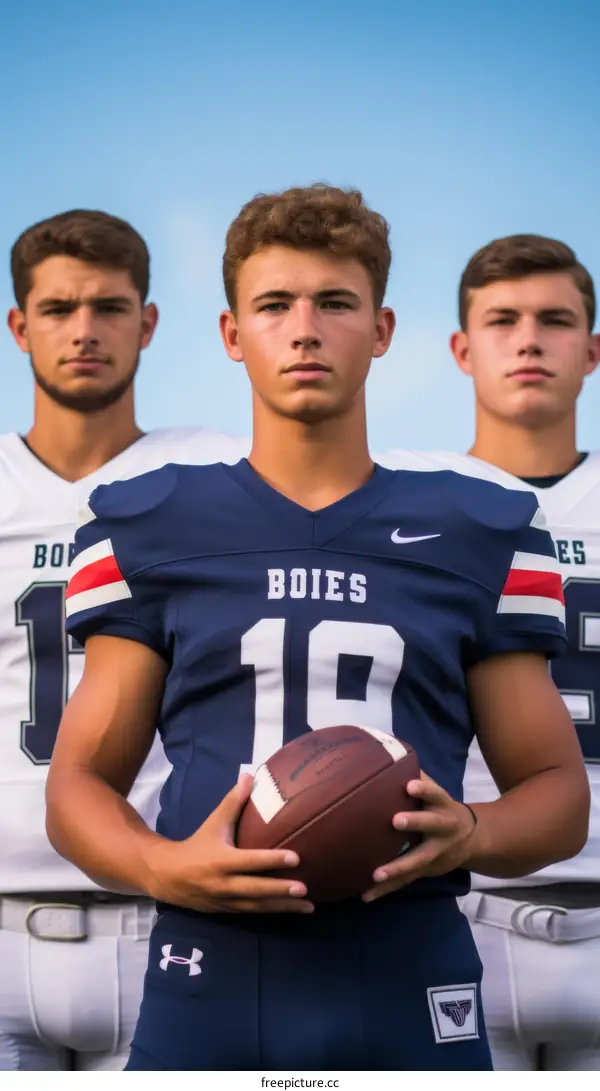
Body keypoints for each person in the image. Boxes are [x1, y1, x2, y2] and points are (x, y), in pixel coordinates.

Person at [46, 187, 588, 1072]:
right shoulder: (149, 522)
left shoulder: (480, 529)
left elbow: (558, 792)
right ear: (232, 334)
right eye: (274, 305)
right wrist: (159, 866)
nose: (304, 331)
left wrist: (473, 832)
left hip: (410, 972)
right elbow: (79, 781)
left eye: (335, 303)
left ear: (382, 329)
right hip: (208, 974)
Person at [0, 209, 245, 1071]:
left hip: (169, 908)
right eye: (58, 309)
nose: (84, 330)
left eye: (108, 307)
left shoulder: (213, 475)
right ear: (19, 326)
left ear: (147, 323)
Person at [385, 234, 600, 1070]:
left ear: (591, 350)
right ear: (462, 349)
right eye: (503, 320)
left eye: (555, 320)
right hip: (459, 900)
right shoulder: (409, 506)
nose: (529, 340)